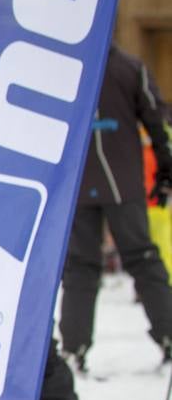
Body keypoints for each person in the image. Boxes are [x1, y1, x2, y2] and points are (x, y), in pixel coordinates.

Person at [59, 45, 172, 370]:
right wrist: (165, 166)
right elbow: (156, 118)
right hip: (120, 183)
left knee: (80, 266)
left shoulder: (63, 65)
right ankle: (168, 335)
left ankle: (74, 346)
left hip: (80, 183)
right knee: (142, 256)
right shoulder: (129, 68)